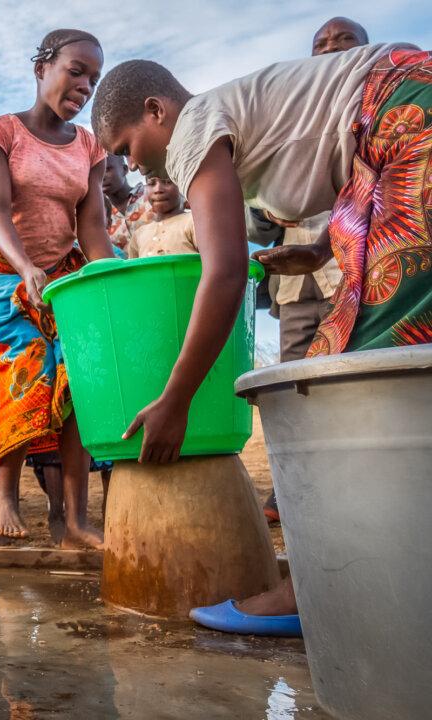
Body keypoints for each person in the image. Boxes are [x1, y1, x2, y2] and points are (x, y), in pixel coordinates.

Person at [90, 37, 431, 631]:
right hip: (400, 113)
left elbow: (223, 273)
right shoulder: (233, 121)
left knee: (343, 383)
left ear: (156, 111)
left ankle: (321, 589)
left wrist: (176, 400)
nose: (134, 165)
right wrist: (320, 250)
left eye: (126, 147)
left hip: (407, 115)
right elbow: (355, 173)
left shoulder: (193, 127)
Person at [0, 29, 115, 545]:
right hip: (0, 269)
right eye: (76, 71)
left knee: (77, 377)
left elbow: (93, 228)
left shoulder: (90, 146)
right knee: (29, 365)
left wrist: (112, 282)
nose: (85, 86)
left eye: (93, 79)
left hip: (60, 269)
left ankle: (74, 519)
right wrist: (25, 268)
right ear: (42, 68)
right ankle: (5, 491)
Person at [248, 16, 365, 521]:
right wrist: (264, 209)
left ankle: (352, 485)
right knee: (292, 382)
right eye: (321, 43)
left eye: (344, 40)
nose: (331, 48)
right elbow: (256, 221)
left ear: (366, 50)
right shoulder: (290, 121)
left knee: (352, 378)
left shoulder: (374, 109)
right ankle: (289, 487)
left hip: (354, 276)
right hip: (295, 285)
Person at [127, 177, 195, 258]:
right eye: (151, 183)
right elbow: (134, 266)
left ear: (182, 185)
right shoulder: (138, 235)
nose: (158, 189)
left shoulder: (194, 222)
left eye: (167, 182)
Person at [102, 153, 154, 254]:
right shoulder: (100, 215)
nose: (102, 177)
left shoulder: (152, 194)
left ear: (125, 169)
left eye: (107, 169)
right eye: (98, 172)